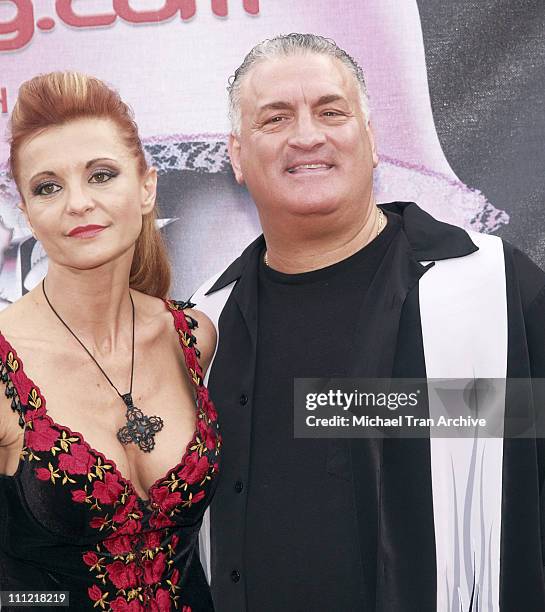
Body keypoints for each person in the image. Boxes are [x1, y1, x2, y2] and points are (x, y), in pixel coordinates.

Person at [192, 34, 545, 611]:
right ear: (236, 155)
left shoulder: (491, 285)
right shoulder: (206, 324)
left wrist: (354, 406)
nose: (307, 135)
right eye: (275, 118)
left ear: (372, 139)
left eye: (331, 111)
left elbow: (527, 429)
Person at [0, 72, 220, 612]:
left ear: (147, 186)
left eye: (101, 175)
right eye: (48, 186)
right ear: (26, 212)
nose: (77, 203)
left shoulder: (192, 335)